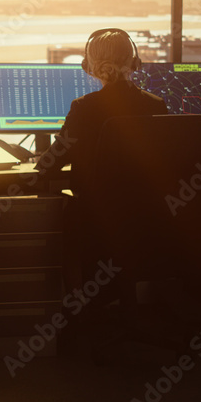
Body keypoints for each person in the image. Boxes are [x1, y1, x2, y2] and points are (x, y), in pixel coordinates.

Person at [35, 28, 167, 305]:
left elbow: (51, 163)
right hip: (148, 221)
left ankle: (91, 320)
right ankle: (123, 319)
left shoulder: (84, 108)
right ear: (135, 62)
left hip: (97, 223)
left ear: (89, 67)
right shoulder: (156, 105)